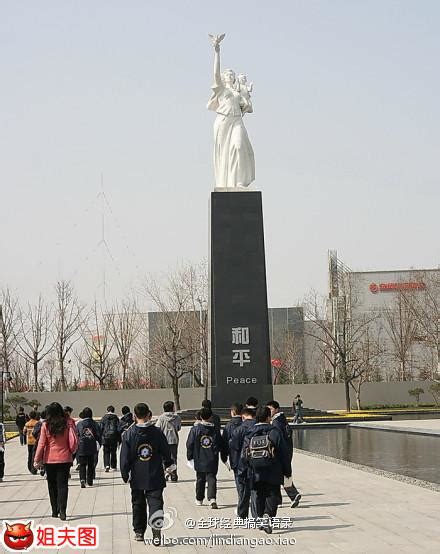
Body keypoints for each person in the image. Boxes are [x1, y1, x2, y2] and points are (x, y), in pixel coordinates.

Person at [120, 403, 175, 545]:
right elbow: (166, 452)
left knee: (138, 504)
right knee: (156, 503)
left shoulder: (129, 434)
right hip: (155, 473)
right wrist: (169, 464)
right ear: (148, 414)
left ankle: (139, 532)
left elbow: (124, 457)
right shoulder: (157, 433)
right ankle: (156, 532)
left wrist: (125, 473)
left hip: (137, 475)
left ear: (134, 416)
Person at [207, 34, 255, 188]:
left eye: (232, 74)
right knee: (223, 154)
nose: (231, 74)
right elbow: (215, 72)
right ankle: (225, 183)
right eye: (228, 73)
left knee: (239, 146)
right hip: (223, 120)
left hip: (236, 121)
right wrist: (217, 52)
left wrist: (246, 98)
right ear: (223, 77)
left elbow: (246, 105)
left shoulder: (237, 92)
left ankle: (239, 181)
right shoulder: (221, 89)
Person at [242, 406, 291, 533]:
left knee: (259, 495)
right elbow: (284, 453)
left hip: (255, 471)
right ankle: (267, 517)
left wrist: (246, 471)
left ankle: (260, 518)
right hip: (273, 470)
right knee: (272, 495)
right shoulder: (275, 432)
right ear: (268, 417)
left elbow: (244, 455)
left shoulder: (250, 433)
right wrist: (287, 471)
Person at [34, 402, 78, 520]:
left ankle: (54, 510)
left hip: (50, 459)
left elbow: (41, 444)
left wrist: (37, 459)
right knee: (63, 485)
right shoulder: (67, 423)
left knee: (52, 485)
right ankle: (63, 511)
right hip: (65, 458)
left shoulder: (46, 426)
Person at [186, 407, 223, 509]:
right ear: (211, 417)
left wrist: (189, 456)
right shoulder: (215, 430)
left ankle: (199, 498)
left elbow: (190, 444)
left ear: (200, 417)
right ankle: (212, 498)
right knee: (211, 478)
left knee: (200, 478)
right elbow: (220, 443)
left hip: (199, 457)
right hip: (212, 458)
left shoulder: (195, 429)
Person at [267, 400, 301, 508]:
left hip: (280, 452)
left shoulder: (276, 422)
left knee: (277, 475)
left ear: (276, 409)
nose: (269, 411)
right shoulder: (282, 420)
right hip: (287, 450)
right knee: (281, 474)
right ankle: (285, 498)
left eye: (271, 409)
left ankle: (292, 495)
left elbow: (277, 439)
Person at [229, 407, 256, 519]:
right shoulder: (258, 427)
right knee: (255, 491)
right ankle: (256, 515)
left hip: (242, 463)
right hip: (258, 462)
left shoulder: (239, 429)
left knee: (243, 490)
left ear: (243, 416)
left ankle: (242, 513)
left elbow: (233, 446)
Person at [155, 401, 181, 482]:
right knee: (173, 458)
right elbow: (179, 428)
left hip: (163, 440)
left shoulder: (161, 418)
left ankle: (165, 473)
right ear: (172, 408)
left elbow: (157, 428)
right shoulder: (177, 417)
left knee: (163, 458)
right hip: (174, 440)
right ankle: (174, 475)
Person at [76, 407, 101, 488]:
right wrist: (99, 443)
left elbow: (77, 434)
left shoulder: (79, 424)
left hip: (82, 446)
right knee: (91, 464)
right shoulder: (95, 423)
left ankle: (82, 479)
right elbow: (98, 434)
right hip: (91, 446)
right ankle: (90, 481)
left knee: (82, 464)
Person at [221, 402, 243, 476]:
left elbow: (224, 442)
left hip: (234, 456)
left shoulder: (228, 425)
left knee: (238, 477)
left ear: (233, 412)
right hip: (247, 456)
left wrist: (224, 456)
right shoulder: (245, 423)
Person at [100, 406, 120, 472]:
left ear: (107, 410)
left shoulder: (104, 418)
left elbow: (101, 428)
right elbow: (118, 429)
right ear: (114, 410)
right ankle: (113, 466)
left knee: (106, 452)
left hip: (105, 437)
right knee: (113, 452)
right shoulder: (116, 418)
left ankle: (107, 465)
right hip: (114, 437)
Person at [32, 409, 47, 477]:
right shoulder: (47, 423)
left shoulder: (38, 423)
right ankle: (44, 468)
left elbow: (34, 433)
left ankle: (41, 468)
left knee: (39, 455)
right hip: (47, 442)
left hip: (39, 442)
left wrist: (38, 438)